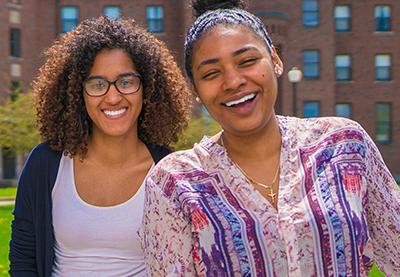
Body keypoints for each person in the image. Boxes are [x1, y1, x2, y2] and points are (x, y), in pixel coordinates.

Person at [140, 1, 400, 276]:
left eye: (247, 61)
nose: (233, 81)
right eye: (211, 73)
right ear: (195, 89)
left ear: (275, 60)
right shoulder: (174, 182)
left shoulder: (343, 147)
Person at [9, 16, 190, 277]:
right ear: (77, 93)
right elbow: (24, 258)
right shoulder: (46, 163)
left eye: (126, 82)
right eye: (97, 84)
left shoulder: (168, 171)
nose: (113, 96)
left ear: (147, 88)